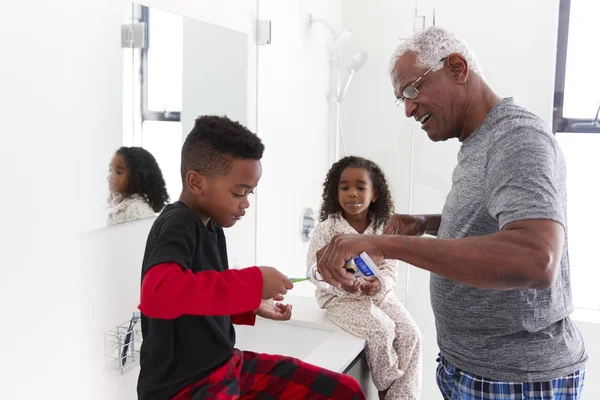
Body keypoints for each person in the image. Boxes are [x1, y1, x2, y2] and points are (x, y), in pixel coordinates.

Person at [316, 27, 587, 399]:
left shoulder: (517, 139)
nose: (409, 108)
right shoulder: (480, 142)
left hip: (515, 378)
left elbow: (535, 259)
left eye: (412, 90)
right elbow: (495, 226)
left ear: (457, 68)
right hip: (472, 368)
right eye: (402, 99)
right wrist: (426, 223)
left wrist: (384, 244)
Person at [137, 115, 366, 400]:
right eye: (238, 192)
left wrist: (250, 303)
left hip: (226, 366)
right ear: (196, 182)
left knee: (345, 392)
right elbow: (159, 294)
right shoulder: (178, 223)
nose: (246, 203)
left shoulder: (212, 226)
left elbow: (196, 299)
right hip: (186, 387)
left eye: (250, 192)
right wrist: (253, 282)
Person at [307, 156, 421, 399]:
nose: (352, 193)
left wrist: (378, 284)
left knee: (411, 333)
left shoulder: (383, 230)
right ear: (335, 192)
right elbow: (313, 271)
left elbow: (390, 268)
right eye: (344, 187)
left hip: (381, 297)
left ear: (375, 194)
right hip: (340, 300)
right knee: (382, 329)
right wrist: (343, 285)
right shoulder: (327, 228)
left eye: (360, 187)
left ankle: (404, 396)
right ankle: (387, 388)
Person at [107, 146, 169, 226]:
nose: (111, 176)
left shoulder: (137, 210)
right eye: (110, 170)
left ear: (137, 176)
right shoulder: (119, 205)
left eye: (119, 172)